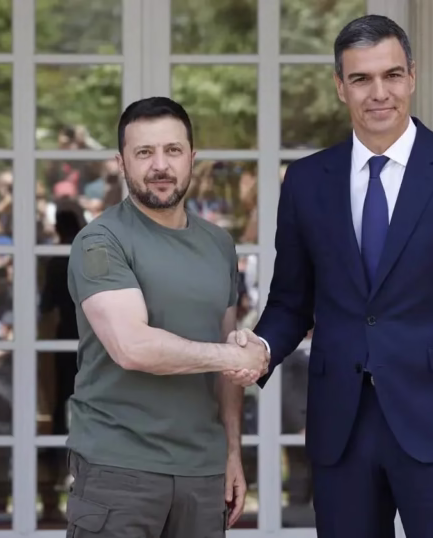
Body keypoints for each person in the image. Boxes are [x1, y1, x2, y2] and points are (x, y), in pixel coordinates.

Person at [237, 15, 433, 537]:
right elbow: (290, 303)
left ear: (411, 77)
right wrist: (259, 349)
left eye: (391, 75)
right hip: (342, 429)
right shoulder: (306, 181)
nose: (379, 93)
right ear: (340, 86)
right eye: (361, 79)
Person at [64, 97, 269, 538]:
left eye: (172, 150)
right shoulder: (100, 241)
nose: (160, 165)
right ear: (121, 163)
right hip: (118, 471)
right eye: (144, 153)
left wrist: (232, 451)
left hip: (203, 473)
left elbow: (226, 363)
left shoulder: (218, 244)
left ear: (192, 157)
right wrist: (236, 356)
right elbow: (133, 347)